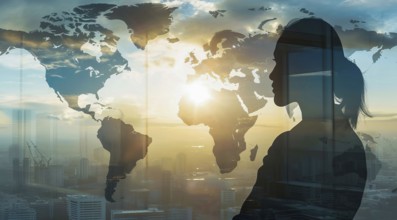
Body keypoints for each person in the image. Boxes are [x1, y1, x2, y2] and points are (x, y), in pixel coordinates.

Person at [234, 18, 370, 220]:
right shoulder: (345, 143)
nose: (271, 75)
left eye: (279, 63)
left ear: (304, 68)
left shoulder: (296, 146)